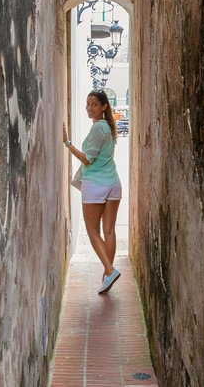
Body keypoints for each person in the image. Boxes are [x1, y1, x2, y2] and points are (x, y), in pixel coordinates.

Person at [62, 90, 122, 294]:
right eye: (88, 104)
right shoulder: (107, 127)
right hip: (113, 183)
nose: (89, 108)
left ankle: (110, 270)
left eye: (94, 104)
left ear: (104, 106)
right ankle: (108, 274)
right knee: (109, 231)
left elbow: (88, 159)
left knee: (92, 231)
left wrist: (68, 143)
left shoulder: (98, 128)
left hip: (96, 185)